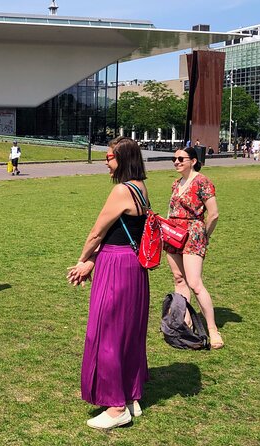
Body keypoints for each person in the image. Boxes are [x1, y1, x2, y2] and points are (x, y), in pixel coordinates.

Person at [67, 136, 150, 430]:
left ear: (123, 159)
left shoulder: (121, 191)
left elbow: (97, 232)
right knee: (129, 333)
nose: (106, 162)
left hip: (115, 266)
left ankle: (116, 408)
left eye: (109, 157)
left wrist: (82, 260)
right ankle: (130, 396)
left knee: (107, 333)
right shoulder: (141, 188)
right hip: (134, 266)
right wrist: (92, 261)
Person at [164, 147, 223, 349]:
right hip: (173, 234)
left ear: (194, 160)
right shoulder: (176, 183)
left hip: (193, 233)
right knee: (179, 280)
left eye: (181, 158)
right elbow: (171, 210)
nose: (176, 162)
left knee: (195, 283)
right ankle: (184, 321)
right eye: (174, 159)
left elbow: (213, 214)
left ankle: (212, 329)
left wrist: (204, 235)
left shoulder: (202, 181)